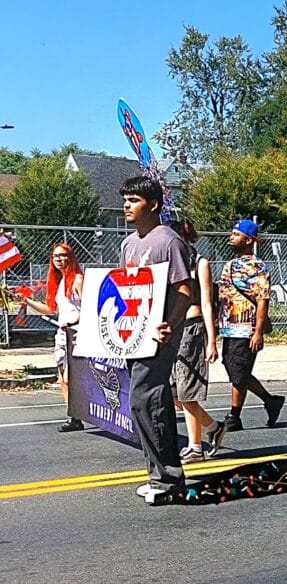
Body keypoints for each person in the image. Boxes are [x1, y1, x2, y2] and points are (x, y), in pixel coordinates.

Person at [119, 176, 192, 504]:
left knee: (149, 399)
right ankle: (157, 475)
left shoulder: (168, 241)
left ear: (154, 205)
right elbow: (124, 289)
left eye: (133, 200)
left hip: (158, 336)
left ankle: (169, 479)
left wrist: (170, 325)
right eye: (125, 199)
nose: (126, 205)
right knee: (140, 404)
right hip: (133, 334)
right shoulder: (128, 244)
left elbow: (184, 291)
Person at [218, 218, 285, 432]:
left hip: (245, 328)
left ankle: (234, 416)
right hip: (229, 328)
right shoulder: (229, 265)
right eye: (232, 234)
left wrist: (258, 332)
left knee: (239, 373)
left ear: (248, 240)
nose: (231, 237)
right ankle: (270, 400)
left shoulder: (257, 267)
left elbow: (263, 299)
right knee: (235, 369)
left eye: (236, 235)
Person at [168, 219, 225, 463]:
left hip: (191, 328)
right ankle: (213, 427)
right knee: (173, 393)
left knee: (187, 390)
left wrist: (211, 340)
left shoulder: (199, 263)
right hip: (171, 329)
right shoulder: (168, 263)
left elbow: (207, 303)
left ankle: (195, 446)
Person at [20, 243, 85, 432]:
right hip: (62, 334)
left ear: (70, 257)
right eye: (55, 256)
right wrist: (27, 301)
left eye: (63, 255)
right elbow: (50, 309)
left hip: (77, 334)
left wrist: (75, 321)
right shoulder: (59, 281)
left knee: (70, 377)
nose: (59, 259)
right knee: (62, 378)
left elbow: (90, 307)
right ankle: (73, 417)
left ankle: (84, 413)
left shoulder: (78, 279)